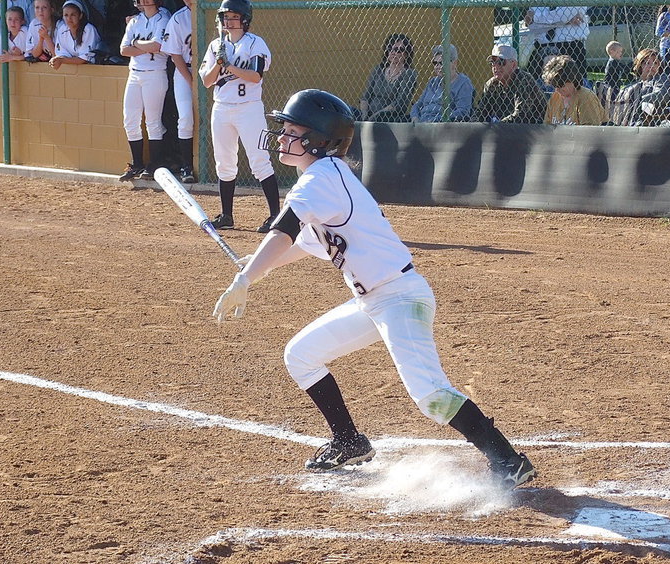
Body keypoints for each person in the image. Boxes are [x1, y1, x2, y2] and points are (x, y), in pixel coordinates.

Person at [212, 89, 537, 489]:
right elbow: (301, 245)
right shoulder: (326, 179)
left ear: (318, 140)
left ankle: (507, 460)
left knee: (430, 395)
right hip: (374, 300)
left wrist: (245, 280)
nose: (281, 138)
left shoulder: (320, 179)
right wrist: (256, 265)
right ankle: (348, 441)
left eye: (291, 131)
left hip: (399, 298)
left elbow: (284, 229)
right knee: (301, 355)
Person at [198, 0, 280, 233]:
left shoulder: (256, 43)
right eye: (225, 17)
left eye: (234, 16)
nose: (228, 21)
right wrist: (219, 63)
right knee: (224, 162)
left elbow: (255, 76)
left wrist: (230, 66)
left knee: (259, 161)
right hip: (222, 107)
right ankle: (226, 215)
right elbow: (206, 81)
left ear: (245, 19)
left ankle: (275, 215)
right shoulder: (216, 45)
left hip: (249, 107)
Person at [117, 0, 170, 182]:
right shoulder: (134, 21)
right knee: (130, 120)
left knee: (153, 121)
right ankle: (137, 163)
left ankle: (155, 164)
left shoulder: (163, 17)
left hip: (155, 73)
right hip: (134, 74)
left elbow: (157, 46)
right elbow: (123, 50)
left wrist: (135, 43)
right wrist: (143, 47)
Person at [161, 0, 197, 184]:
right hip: (185, 71)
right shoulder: (178, 19)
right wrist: (191, 82)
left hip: (212, 71)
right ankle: (186, 166)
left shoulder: (217, 12)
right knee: (185, 119)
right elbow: (175, 55)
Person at [473, 44, 546, 124]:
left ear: (513, 65)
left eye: (501, 62)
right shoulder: (491, 84)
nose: (495, 66)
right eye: (493, 62)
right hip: (504, 129)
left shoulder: (524, 81)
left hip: (533, 129)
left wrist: (497, 126)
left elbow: (521, 115)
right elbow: (481, 112)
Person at [359, 33, 417, 122]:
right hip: (368, 114)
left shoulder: (409, 74)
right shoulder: (379, 69)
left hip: (389, 116)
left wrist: (374, 117)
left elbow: (399, 104)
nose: (393, 52)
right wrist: (364, 113)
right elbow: (365, 96)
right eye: (390, 48)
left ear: (406, 54)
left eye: (399, 50)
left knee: (381, 117)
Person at [410, 44, 474, 123]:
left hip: (442, 126)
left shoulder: (463, 83)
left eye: (442, 62)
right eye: (435, 63)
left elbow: (463, 112)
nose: (438, 66)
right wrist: (415, 117)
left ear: (454, 63)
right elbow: (417, 105)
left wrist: (436, 120)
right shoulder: (433, 82)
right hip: (423, 123)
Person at [611, 48, 670, 126]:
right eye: (647, 63)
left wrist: (639, 100)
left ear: (660, 65)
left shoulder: (662, 78)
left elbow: (663, 94)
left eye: (655, 63)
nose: (651, 66)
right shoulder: (636, 84)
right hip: (631, 117)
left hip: (654, 116)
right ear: (640, 65)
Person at [524, 6, 589, 78]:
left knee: (571, 85)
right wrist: (565, 22)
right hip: (542, 48)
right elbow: (531, 26)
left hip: (570, 47)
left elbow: (563, 16)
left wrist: (535, 18)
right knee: (541, 85)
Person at [542, 55, 606, 125]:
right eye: (555, 86)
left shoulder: (586, 97)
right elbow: (547, 126)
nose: (557, 90)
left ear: (573, 80)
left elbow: (590, 131)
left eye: (561, 86)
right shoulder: (555, 98)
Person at [49, 0, 100, 69]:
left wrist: (62, 60)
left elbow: (85, 58)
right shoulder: (62, 30)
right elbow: (61, 53)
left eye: (73, 15)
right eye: (66, 15)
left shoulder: (88, 29)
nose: (69, 18)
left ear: (80, 15)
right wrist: (57, 60)